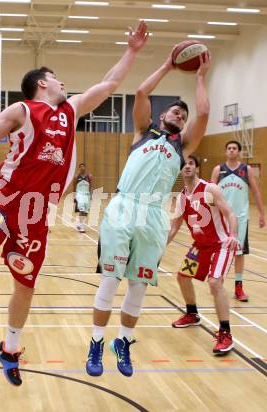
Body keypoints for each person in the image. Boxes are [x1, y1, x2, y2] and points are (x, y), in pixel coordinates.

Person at [0, 22, 149, 385]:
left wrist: (131, 51)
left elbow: (110, 83)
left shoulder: (71, 109)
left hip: (36, 213)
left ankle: (9, 348)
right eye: (58, 78)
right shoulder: (22, 110)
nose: (64, 83)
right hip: (4, 201)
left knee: (26, 284)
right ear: (42, 83)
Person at [86, 49, 211, 378]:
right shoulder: (143, 133)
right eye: (175, 112)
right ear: (161, 116)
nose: (180, 117)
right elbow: (141, 92)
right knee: (111, 280)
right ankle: (97, 342)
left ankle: (123, 344)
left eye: (183, 116)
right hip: (125, 206)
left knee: (138, 287)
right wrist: (168, 65)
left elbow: (205, 113)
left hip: (154, 215)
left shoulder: (181, 147)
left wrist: (200, 78)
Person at [168, 155, 237, 355]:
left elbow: (230, 213)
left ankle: (226, 333)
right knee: (182, 277)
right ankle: (192, 314)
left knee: (215, 282)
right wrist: (158, 248)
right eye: (184, 164)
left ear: (197, 168)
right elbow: (174, 228)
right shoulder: (182, 196)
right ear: (180, 170)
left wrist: (233, 235)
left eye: (191, 163)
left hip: (221, 244)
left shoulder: (210, 189)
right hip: (200, 246)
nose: (187, 166)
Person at [211, 140, 265, 302]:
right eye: (229, 148)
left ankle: (238, 287)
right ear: (226, 151)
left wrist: (262, 214)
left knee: (239, 253)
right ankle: (217, 281)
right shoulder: (218, 170)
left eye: (235, 148)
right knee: (219, 250)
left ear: (239, 152)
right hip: (221, 218)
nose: (232, 150)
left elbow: (255, 192)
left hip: (240, 218)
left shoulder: (245, 169)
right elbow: (209, 194)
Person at [74, 163, 92, 233]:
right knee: (82, 209)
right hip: (79, 194)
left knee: (86, 212)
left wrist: (91, 195)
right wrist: (74, 195)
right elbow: (74, 186)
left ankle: (79, 224)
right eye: (80, 167)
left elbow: (91, 186)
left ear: (85, 167)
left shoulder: (89, 176)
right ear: (79, 168)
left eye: (83, 166)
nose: (82, 168)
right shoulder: (76, 176)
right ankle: (81, 226)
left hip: (87, 195)